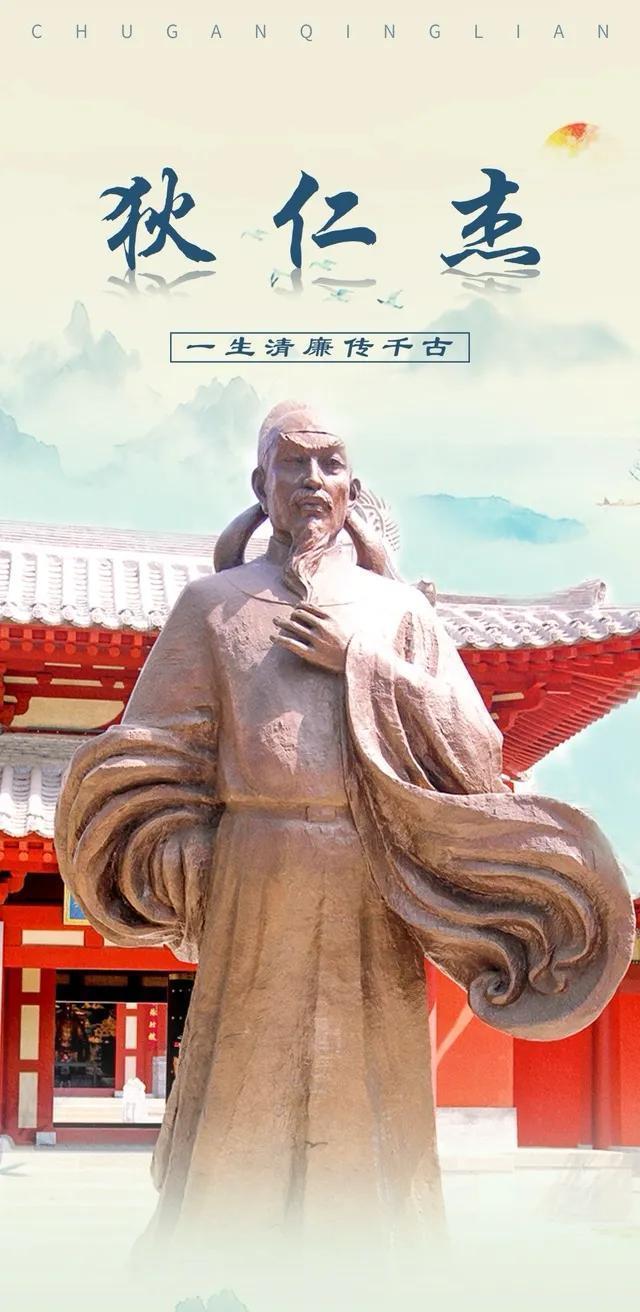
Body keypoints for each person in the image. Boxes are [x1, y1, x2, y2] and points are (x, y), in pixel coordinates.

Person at [55, 401, 633, 1257]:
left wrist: (362, 661)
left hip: (370, 871)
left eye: (330, 464)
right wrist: (191, 857)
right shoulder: (211, 606)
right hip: (253, 869)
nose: (312, 481)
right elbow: (154, 750)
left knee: (369, 1080)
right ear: (261, 483)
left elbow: (477, 747)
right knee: (245, 1078)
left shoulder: (396, 610)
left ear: (353, 487)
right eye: (293, 463)